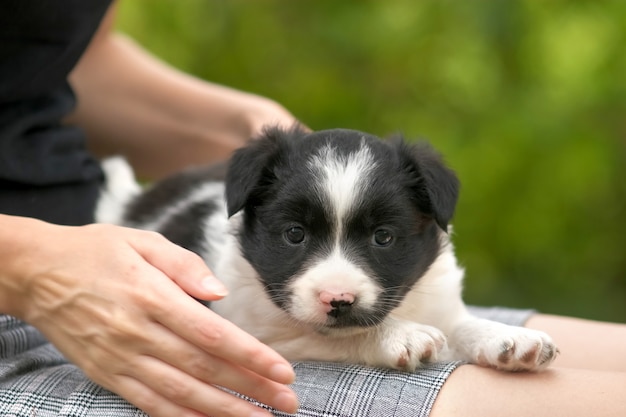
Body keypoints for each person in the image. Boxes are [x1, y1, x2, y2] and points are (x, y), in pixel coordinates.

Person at [1, 2, 625, 417]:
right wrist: (28, 267)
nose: (338, 284)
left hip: (92, 238)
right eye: (296, 234)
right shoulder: (242, 273)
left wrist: (238, 121)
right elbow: (261, 334)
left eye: (381, 239)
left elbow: (64, 61)